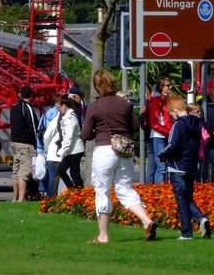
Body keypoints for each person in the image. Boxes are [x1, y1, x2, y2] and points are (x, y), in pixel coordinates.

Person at [80, 69, 155, 244]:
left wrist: (96, 132)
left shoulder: (95, 106)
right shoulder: (125, 104)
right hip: (125, 151)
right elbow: (135, 127)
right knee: (125, 189)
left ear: (98, 86)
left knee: (102, 191)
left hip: (105, 151)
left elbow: (85, 134)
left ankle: (103, 236)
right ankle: (146, 220)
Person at [158, 97, 211, 240]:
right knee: (188, 198)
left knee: (181, 200)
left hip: (177, 166)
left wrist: (162, 155)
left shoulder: (178, 125)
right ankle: (201, 219)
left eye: (170, 113)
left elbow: (173, 145)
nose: (171, 116)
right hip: (192, 166)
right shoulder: (197, 123)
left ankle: (186, 233)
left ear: (174, 111)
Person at [9, 85, 39, 202]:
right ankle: (21, 198)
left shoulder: (14, 108)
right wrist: (37, 143)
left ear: (20, 95)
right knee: (24, 173)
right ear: (31, 95)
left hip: (15, 143)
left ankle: (15, 197)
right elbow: (33, 127)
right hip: (26, 144)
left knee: (15, 171)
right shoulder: (27, 108)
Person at [143, 78, 174, 184]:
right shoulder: (156, 100)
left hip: (165, 135)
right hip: (158, 136)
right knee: (160, 166)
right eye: (168, 85)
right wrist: (167, 131)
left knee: (163, 166)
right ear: (161, 87)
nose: (170, 87)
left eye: (170, 85)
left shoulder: (168, 100)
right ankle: (158, 193)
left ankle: (160, 190)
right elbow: (153, 122)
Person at [53, 97, 85, 192]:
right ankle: (72, 191)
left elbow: (69, 137)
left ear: (64, 106)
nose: (58, 110)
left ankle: (80, 193)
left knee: (74, 173)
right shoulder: (67, 116)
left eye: (59, 107)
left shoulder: (70, 117)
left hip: (75, 150)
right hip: (71, 150)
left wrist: (62, 150)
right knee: (61, 170)